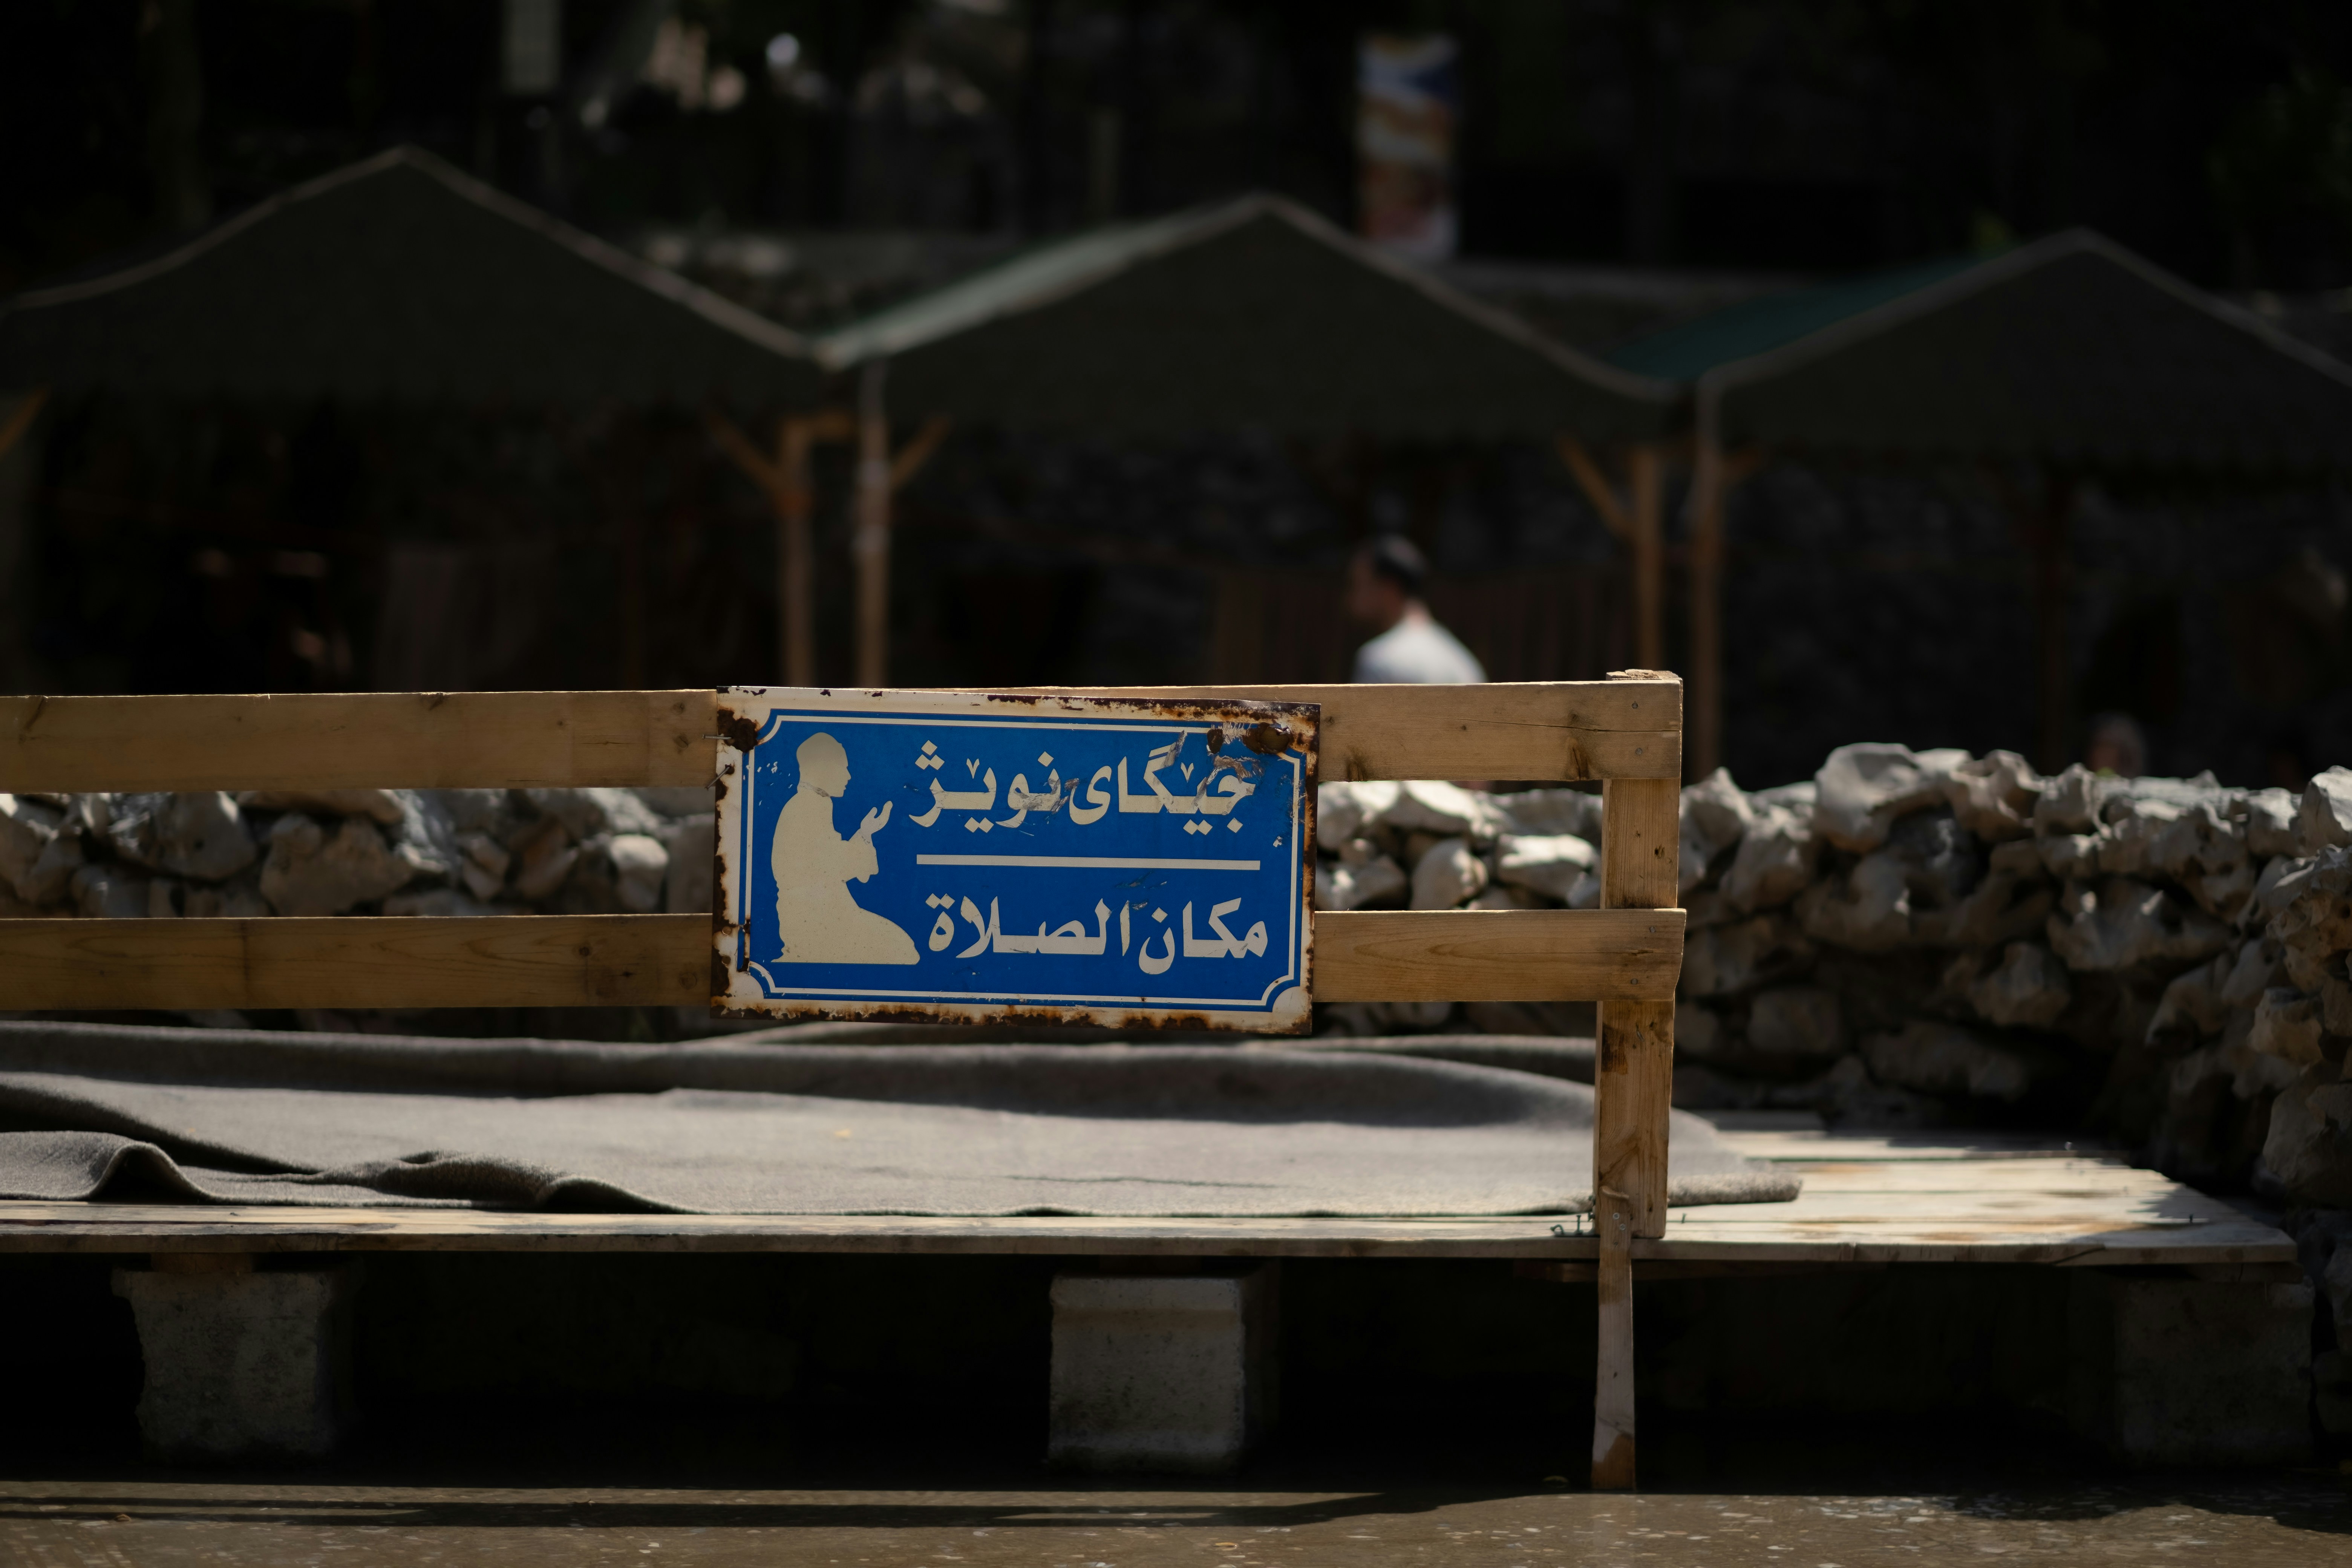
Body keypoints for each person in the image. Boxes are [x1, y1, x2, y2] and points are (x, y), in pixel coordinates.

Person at [770, 731, 919, 965]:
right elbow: (834, 867)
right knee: (902, 949)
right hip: (815, 923)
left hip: (827, 915)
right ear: (823, 768)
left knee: (901, 947)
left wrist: (865, 832)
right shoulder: (807, 806)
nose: (849, 776)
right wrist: (864, 835)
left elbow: (829, 861)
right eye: (844, 768)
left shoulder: (814, 803)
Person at [1344, 535, 1485, 684]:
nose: (1348, 598)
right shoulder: (1462, 661)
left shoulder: (1377, 661)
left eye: (1356, 584)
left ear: (1388, 589)